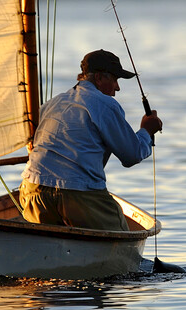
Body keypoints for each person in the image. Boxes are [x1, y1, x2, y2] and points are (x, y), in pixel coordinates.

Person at [19, 49, 163, 231]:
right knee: (120, 231)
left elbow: (30, 144)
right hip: (78, 194)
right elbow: (132, 155)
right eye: (115, 80)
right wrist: (146, 131)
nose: (117, 88)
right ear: (100, 78)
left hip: (32, 190)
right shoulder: (104, 104)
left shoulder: (52, 103)